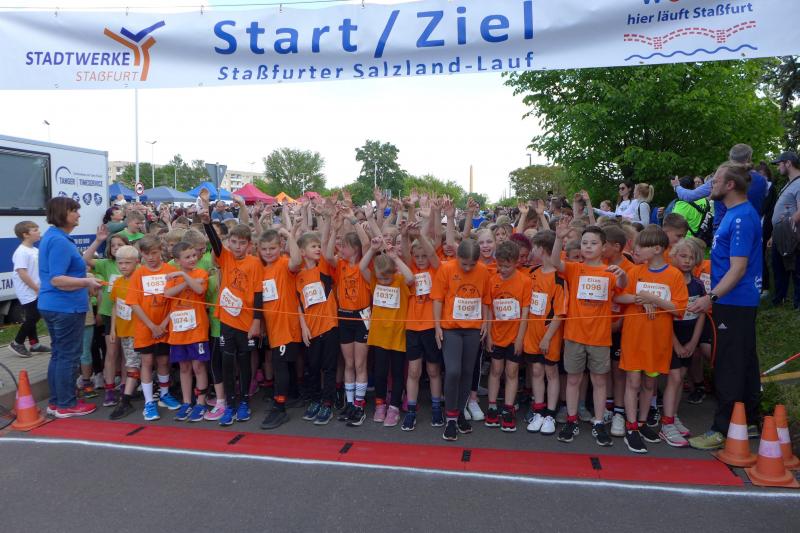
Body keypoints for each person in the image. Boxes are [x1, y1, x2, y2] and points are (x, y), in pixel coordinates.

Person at [687, 162, 763, 450]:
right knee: (745, 361)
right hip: (734, 300)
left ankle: (721, 429)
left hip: (734, 301)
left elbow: (738, 268)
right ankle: (749, 421)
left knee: (729, 364)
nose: (711, 185)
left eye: (716, 180)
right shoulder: (734, 214)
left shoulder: (742, 217)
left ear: (730, 185)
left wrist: (712, 297)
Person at [551, 219, 628, 447]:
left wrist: (622, 273)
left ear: (603, 247)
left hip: (600, 337)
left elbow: (622, 285)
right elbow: (555, 262)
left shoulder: (609, 271)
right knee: (573, 379)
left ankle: (598, 422)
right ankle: (571, 420)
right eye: (585, 242)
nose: (588, 246)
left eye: (593, 243)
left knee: (599, 380)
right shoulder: (575, 268)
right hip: (574, 335)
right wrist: (559, 238)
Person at [614, 226, 687, 453]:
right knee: (633, 382)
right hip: (634, 338)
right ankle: (631, 427)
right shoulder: (635, 271)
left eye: (641, 246)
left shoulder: (674, 275)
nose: (636, 249)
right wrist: (639, 298)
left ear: (656, 249)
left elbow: (679, 309)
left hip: (658, 341)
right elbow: (619, 296)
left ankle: (643, 422)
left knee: (649, 383)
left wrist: (652, 298)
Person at [39, 197, 102, 418]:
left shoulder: (55, 237)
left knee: (59, 354)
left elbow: (70, 269)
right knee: (68, 356)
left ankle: (56, 402)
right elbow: (57, 279)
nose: (78, 214)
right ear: (62, 213)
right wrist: (87, 281)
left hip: (54, 305)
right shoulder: (59, 241)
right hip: (65, 307)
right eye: (74, 210)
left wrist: (97, 243)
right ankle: (66, 404)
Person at [202, 213, 263, 426]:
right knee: (227, 361)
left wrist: (257, 321)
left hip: (246, 322)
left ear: (249, 245)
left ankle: (244, 401)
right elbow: (215, 244)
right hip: (227, 320)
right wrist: (207, 223)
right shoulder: (225, 257)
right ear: (229, 242)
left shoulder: (255, 263)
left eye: (242, 243)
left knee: (244, 361)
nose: (237, 247)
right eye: (234, 242)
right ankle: (229, 403)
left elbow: (259, 293)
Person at [432, 239, 492, 441]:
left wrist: (485, 323)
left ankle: (458, 413)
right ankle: (450, 417)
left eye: (472, 264)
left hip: (473, 328)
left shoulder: (483, 271)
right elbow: (438, 298)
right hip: (451, 329)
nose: (467, 268)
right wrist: (437, 326)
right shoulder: (446, 269)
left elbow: (486, 299)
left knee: (467, 372)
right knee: (453, 371)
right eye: (464, 264)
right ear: (457, 257)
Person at [359, 237, 414, 427]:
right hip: (379, 336)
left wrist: (396, 258)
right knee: (380, 373)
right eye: (380, 278)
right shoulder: (375, 280)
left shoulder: (399, 280)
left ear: (393, 272)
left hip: (397, 335)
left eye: (386, 278)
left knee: (398, 373)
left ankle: (394, 408)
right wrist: (372, 250)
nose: (383, 281)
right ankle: (380, 404)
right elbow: (362, 267)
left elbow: (411, 278)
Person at [126, 235, 181, 421]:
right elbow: (133, 302)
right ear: (141, 254)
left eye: (154, 253)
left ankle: (164, 394)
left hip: (165, 327)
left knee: (164, 361)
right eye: (146, 253)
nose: (150, 257)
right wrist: (151, 325)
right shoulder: (138, 274)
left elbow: (176, 302)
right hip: (145, 328)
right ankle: (149, 402)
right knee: (147, 362)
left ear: (161, 251)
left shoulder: (171, 271)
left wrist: (163, 324)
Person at [661, 238, 707, 447]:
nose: (687, 261)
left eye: (691, 257)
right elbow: (665, 316)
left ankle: (673, 414)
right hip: (672, 336)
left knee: (680, 378)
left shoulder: (698, 284)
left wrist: (694, 342)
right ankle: (667, 423)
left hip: (689, 337)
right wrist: (676, 344)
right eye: (683, 256)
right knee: (675, 377)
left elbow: (702, 314)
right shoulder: (670, 282)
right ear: (674, 257)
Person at [258, 227, 303, 430]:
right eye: (264, 249)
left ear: (280, 247)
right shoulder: (261, 270)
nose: (268, 252)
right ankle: (293, 394)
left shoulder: (284, 263)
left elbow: (297, 261)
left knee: (280, 365)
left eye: (272, 248)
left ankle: (280, 407)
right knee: (284, 364)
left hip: (286, 325)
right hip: (272, 326)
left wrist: (289, 235)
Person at [485, 240, 531, 433]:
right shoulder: (492, 280)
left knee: (512, 372)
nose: (502, 270)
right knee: (496, 370)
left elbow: (525, 311)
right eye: (500, 265)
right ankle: (492, 405)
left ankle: (508, 408)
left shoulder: (524, 281)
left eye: (507, 266)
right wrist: (488, 335)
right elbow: (489, 308)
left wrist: (520, 338)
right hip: (497, 334)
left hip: (514, 336)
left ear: (516, 262)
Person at [523, 230, 566, 436]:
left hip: (550, 335)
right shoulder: (532, 273)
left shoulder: (559, 278)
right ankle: (539, 410)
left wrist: (548, 338)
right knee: (537, 371)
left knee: (551, 372)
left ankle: (550, 414)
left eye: (534, 247)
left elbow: (560, 312)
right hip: (532, 333)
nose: (532, 251)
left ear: (542, 249)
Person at [401, 226, 444, 431]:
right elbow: (404, 252)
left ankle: (436, 408)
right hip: (412, 327)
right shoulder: (411, 268)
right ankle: (411, 410)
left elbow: (433, 255)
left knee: (433, 369)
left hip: (431, 327)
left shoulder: (436, 269)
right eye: (416, 256)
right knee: (414, 371)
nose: (420, 259)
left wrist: (419, 235)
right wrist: (404, 236)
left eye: (423, 256)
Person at [83, 226, 129, 407]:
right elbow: (85, 259)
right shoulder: (105, 264)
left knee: (126, 353)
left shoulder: (135, 266)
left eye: (120, 245)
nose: (116, 248)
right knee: (112, 352)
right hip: (110, 314)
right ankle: (109, 390)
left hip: (130, 315)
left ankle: (125, 387)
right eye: (113, 245)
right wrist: (98, 240)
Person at [164, 242, 210, 422]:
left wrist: (183, 275)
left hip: (197, 329)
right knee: (184, 367)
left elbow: (199, 289)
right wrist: (185, 282)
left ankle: (201, 402)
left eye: (193, 255)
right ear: (177, 260)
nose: (192, 259)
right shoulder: (172, 277)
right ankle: (186, 402)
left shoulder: (201, 273)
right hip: (178, 330)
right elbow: (168, 293)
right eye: (187, 257)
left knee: (198, 366)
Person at [672, 143, 768, 229]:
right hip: (752, 227)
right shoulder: (762, 181)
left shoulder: (722, 177)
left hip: (724, 227)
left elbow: (689, 196)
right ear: (749, 158)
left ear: (730, 158)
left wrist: (677, 186)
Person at [108, 245, 141, 420]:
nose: (123, 266)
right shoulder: (118, 282)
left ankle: (126, 398)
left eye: (127, 263)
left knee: (135, 363)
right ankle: (132, 391)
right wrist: (113, 329)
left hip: (140, 330)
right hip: (124, 330)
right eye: (120, 263)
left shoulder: (140, 280)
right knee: (132, 362)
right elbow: (115, 305)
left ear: (136, 262)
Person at [9, 221, 49, 357]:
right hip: (27, 290)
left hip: (35, 288)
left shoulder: (35, 250)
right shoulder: (21, 252)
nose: (39, 232)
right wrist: (35, 287)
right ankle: (17, 342)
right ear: (25, 234)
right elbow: (22, 273)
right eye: (35, 230)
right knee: (33, 316)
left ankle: (34, 344)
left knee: (33, 316)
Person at [769, 152, 800, 308]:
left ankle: (797, 303)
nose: (778, 167)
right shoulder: (789, 183)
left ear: (788, 163)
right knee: (778, 267)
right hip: (780, 234)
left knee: (796, 268)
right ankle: (779, 299)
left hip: (792, 235)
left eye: (779, 164)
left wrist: (786, 226)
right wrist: (774, 235)